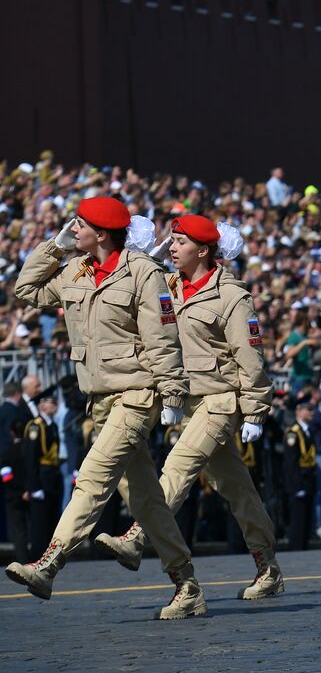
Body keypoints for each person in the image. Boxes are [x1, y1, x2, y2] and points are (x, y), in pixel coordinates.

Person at [8, 197, 205, 618]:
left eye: (79, 225)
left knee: (93, 476)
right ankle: (186, 585)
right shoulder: (75, 271)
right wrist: (53, 248)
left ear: (102, 233)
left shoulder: (143, 273)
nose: (72, 228)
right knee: (146, 499)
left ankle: (49, 563)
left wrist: (171, 392)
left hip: (137, 395)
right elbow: (26, 290)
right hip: (100, 399)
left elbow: (161, 337)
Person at [94, 214, 283, 599]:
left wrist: (255, 411)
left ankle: (137, 535)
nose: (172, 248)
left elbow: (250, 358)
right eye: (171, 241)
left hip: (219, 401)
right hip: (186, 402)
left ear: (203, 249)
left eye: (180, 242)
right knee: (237, 488)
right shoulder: (164, 286)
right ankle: (269, 567)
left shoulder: (231, 296)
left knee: (178, 465)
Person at [20, 388, 63, 562]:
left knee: (51, 520)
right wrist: (34, 487)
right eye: (52, 402)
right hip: (40, 478)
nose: (55, 406)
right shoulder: (35, 427)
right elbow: (30, 459)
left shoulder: (51, 425)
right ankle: (36, 559)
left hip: (52, 477)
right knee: (39, 524)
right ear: (42, 405)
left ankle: (49, 557)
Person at [283, 394, 318, 551]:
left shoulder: (308, 431)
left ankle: (303, 547)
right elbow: (290, 463)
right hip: (299, 481)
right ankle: (296, 549)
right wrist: (297, 486)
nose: (312, 412)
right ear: (299, 410)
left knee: (306, 519)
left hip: (308, 479)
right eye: (309, 409)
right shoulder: (293, 432)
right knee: (298, 520)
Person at [0, 381, 30, 563]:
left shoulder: (2, 410)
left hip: (12, 484)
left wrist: (10, 485)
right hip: (22, 483)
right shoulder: (13, 413)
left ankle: (23, 558)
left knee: (17, 525)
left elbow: (5, 473)